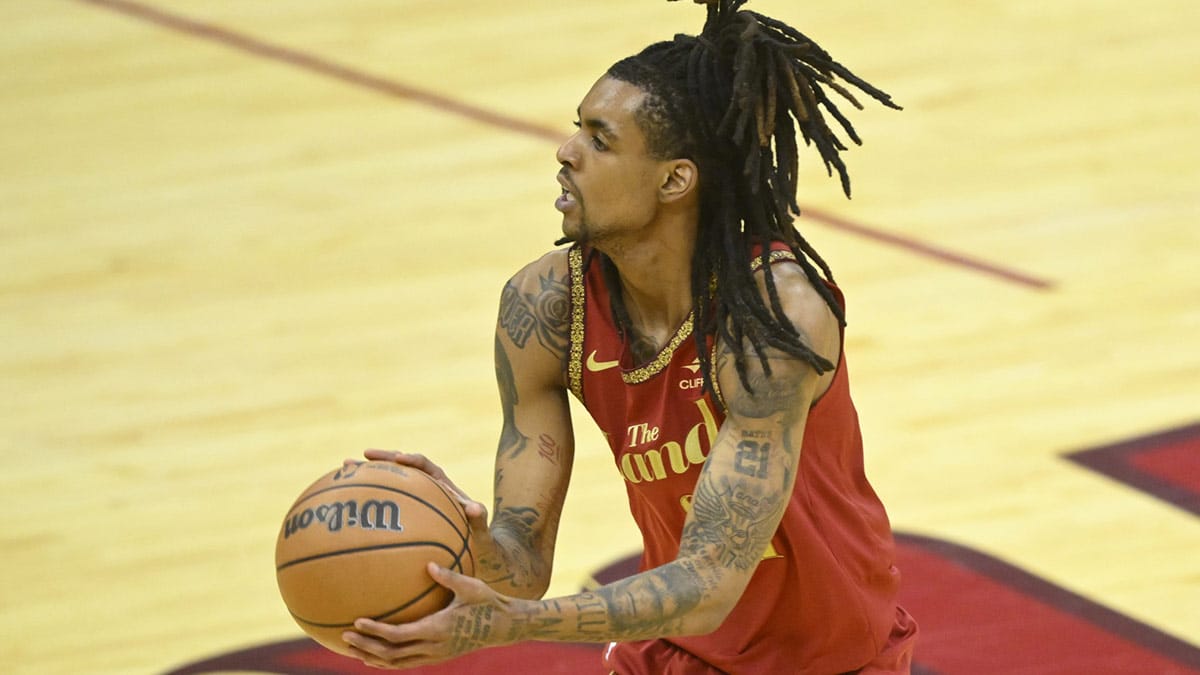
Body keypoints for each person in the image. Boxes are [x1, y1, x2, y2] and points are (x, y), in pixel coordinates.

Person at [344, 0, 917, 672]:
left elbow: (708, 582)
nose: (565, 152)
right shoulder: (546, 308)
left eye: (600, 139)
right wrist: (469, 539)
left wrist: (517, 625)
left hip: (827, 658)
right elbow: (520, 569)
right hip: (673, 649)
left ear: (674, 179)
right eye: (575, 130)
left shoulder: (774, 318)